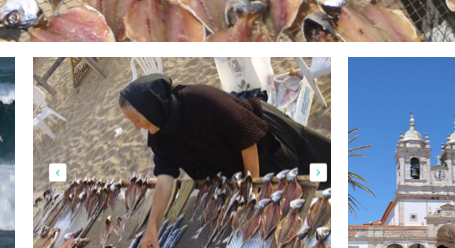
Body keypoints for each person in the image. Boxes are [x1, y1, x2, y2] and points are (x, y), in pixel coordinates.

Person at [119, 73, 331, 248]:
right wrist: (152, 227)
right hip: (231, 164)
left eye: (137, 120)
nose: (137, 127)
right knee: (281, 199)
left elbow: (247, 140)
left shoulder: (201, 100)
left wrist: (252, 190)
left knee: (314, 169)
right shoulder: (159, 136)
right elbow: (165, 179)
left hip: (262, 141)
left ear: (152, 108)